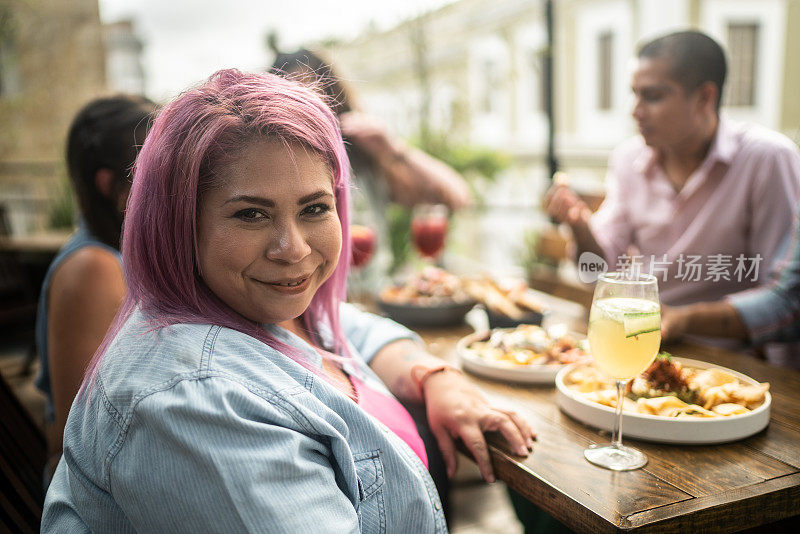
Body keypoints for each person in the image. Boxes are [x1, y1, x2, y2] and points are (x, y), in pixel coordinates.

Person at [41, 69, 534, 532]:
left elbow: (343, 322)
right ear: (179, 226)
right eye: (251, 215)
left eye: (315, 208)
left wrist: (433, 375)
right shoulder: (197, 404)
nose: (293, 249)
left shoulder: (248, 304)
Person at [545, 30, 800, 309]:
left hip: (726, 347)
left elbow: (783, 295)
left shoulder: (766, 158)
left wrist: (686, 320)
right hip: (645, 336)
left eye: (652, 96)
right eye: (635, 94)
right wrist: (580, 228)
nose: (635, 111)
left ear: (704, 98)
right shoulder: (628, 159)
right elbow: (597, 275)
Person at [34, 95, 156, 480]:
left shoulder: (121, 257)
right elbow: (84, 432)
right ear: (110, 184)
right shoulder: (93, 269)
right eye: (155, 169)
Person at [662, 208, 800, 368]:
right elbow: (789, 298)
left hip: (728, 354)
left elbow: (789, 301)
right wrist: (681, 319)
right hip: (675, 347)